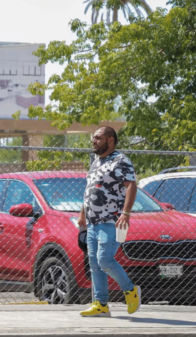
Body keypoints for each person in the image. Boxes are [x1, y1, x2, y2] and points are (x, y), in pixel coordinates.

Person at [78, 126, 141, 317]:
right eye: (94, 138)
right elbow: (89, 190)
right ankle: (101, 305)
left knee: (104, 259)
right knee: (95, 264)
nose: (94, 141)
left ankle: (131, 291)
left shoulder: (120, 161)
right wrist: (82, 214)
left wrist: (126, 213)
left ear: (110, 140)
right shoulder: (97, 161)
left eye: (98, 138)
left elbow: (131, 185)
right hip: (92, 222)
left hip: (110, 220)